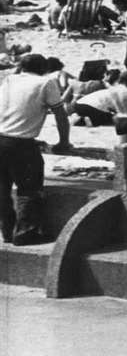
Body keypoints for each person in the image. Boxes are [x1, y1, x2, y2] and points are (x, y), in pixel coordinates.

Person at [0, 53, 73, 245]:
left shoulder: (9, 79)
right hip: (20, 143)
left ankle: (7, 231)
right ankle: (25, 233)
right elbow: (60, 115)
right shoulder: (46, 83)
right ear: (44, 68)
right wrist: (63, 142)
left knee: (2, 189)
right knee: (28, 188)